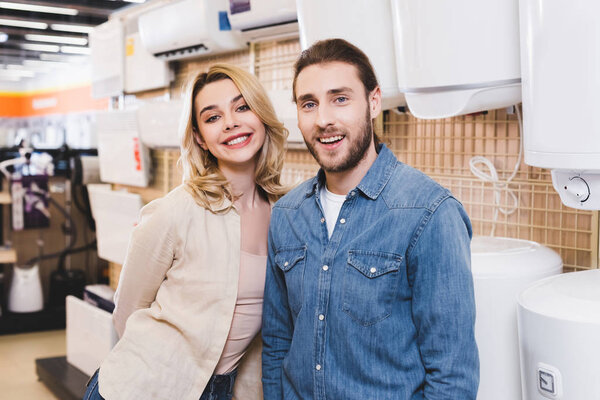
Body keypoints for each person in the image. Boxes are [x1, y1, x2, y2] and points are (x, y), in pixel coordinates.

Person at [262, 39, 479, 399]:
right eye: (309, 104)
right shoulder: (286, 215)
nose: (324, 119)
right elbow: (277, 344)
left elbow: (452, 374)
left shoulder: (428, 213)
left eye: (340, 99)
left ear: (373, 102)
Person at [84, 63, 288, 400]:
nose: (231, 122)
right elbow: (127, 313)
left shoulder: (286, 213)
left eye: (242, 107)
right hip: (146, 387)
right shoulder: (175, 212)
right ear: (200, 138)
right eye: (212, 117)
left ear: (261, 116)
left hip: (222, 389)